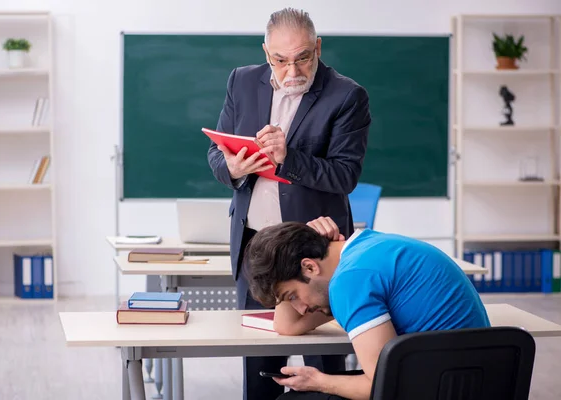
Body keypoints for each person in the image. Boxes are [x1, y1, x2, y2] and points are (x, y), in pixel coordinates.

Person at [207, 7, 371, 400]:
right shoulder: (241, 82)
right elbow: (216, 156)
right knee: (260, 363)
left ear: (318, 47)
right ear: (266, 53)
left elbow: (345, 176)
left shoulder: (347, 95)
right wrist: (232, 167)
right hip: (256, 247)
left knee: (327, 358)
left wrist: (289, 157)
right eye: (280, 60)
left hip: (317, 249)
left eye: (302, 58)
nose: (291, 70)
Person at [243, 216, 491, 400]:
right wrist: (301, 240)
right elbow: (288, 326)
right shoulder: (367, 246)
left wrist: (319, 380)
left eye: (292, 296)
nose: (299, 308)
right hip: (469, 379)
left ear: (309, 267)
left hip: (440, 386)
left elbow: (381, 384)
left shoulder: (350, 280)